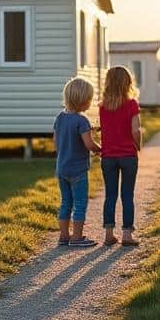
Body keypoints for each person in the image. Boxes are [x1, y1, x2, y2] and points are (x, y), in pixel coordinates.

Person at [54, 77, 101, 248]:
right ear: (83, 101)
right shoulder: (82, 120)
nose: (90, 102)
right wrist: (99, 149)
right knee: (80, 203)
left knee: (66, 202)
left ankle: (64, 236)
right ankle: (77, 237)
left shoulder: (60, 117)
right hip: (78, 170)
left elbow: (56, 142)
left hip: (62, 168)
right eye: (89, 99)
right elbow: (89, 144)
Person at [98, 66, 142, 247]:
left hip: (108, 156)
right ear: (127, 83)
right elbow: (135, 130)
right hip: (128, 156)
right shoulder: (131, 104)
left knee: (110, 195)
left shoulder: (102, 107)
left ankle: (108, 234)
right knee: (127, 195)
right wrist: (138, 145)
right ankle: (127, 235)